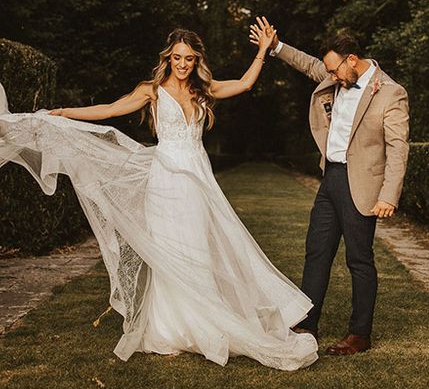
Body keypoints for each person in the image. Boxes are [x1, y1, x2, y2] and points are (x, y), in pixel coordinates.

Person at [0, 26, 317, 370]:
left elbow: (244, 84)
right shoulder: (151, 91)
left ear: (197, 61)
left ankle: (206, 325)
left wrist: (263, 51)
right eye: (177, 58)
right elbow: (109, 110)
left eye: (189, 59)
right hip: (164, 181)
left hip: (197, 181)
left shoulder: (202, 90)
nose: (182, 64)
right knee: (169, 252)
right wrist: (63, 113)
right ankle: (169, 330)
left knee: (197, 249)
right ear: (168, 58)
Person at [250, 19, 409, 356]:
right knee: (316, 252)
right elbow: (309, 64)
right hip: (331, 178)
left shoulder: (391, 92)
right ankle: (307, 324)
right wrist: (276, 47)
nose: (332, 78)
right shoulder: (337, 73)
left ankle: (359, 334)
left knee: (359, 260)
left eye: (336, 70)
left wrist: (388, 196)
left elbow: (398, 148)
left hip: (361, 184)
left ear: (352, 59)